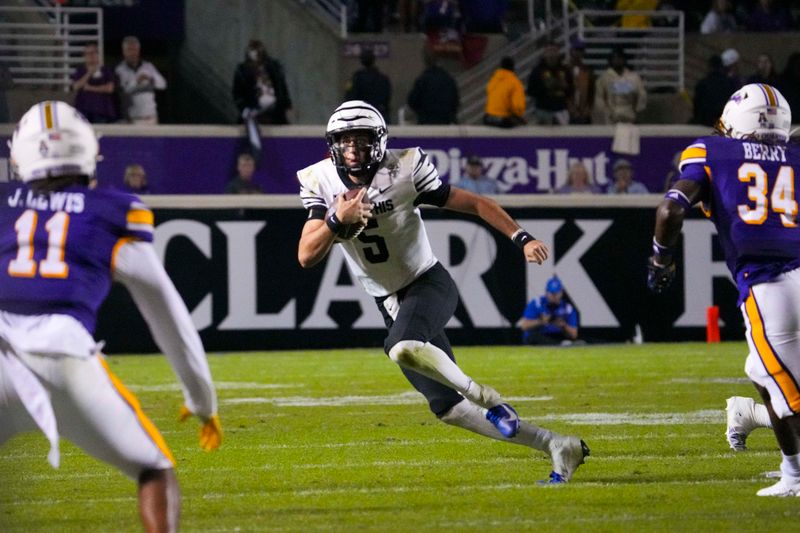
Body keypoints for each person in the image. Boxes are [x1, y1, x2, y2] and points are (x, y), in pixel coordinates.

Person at [297, 100, 589, 483]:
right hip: (388, 301)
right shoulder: (321, 180)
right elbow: (306, 254)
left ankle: (487, 396)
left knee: (401, 347)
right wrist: (337, 219)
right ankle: (557, 445)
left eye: (362, 141)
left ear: (380, 142)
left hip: (427, 282)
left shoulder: (404, 168)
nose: (353, 151)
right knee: (447, 407)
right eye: (345, 142)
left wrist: (521, 237)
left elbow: (476, 203)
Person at [0, 101, 222, 530]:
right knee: (154, 467)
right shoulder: (112, 209)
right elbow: (167, 313)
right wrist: (202, 399)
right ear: (88, 152)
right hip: (63, 354)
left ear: (20, 155)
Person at [648, 83, 800, 497]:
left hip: (770, 284)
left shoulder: (712, 151)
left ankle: (796, 475)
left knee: (791, 394)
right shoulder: (794, 154)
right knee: (761, 373)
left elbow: (670, 209)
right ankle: (789, 469)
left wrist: (661, 258)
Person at [232, 39, 293, 126]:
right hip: (254, 112)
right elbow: (237, 95)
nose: (256, 66)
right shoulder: (242, 72)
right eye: (252, 63)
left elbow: (282, 89)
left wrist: (287, 105)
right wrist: (245, 110)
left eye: (258, 62)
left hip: (275, 113)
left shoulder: (274, 69)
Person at [115, 36, 167, 124]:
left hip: (151, 117)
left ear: (138, 51)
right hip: (133, 118)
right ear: (124, 52)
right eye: (129, 50)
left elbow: (163, 85)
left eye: (135, 49)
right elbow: (124, 91)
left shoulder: (148, 66)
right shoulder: (120, 70)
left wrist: (151, 79)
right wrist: (137, 81)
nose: (132, 53)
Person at [516, 276, 579, 346]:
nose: (554, 296)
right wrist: (541, 321)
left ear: (561, 292)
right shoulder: (537, 303)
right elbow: (524, 326)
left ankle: (558, 345)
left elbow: (574, 335)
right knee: (534, 336)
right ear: (546, 292)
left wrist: (563, 326)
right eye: (551, 293)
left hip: (556, 336)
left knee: (569, 340)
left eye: (556, 293)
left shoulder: (567, 308)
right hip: (538, 337)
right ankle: (558, 345)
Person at [594, 47, 647, 125]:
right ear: (610, 60)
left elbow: (642, 96)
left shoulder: (634, 77)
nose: (617, 60)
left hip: (630, 118)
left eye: (620, 57)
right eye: (615, 58)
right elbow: (599, 99)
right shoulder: (604, 78)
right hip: (611, 119)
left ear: (624, 59)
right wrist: (607, 112)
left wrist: (637, 110)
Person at [407, 48, 459, 125]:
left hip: (426, 121)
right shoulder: (449, 79)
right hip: (445, 122)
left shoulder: (422, 80)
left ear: (425, 62)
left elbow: (412, 101)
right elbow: (455, 101)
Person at [526, 41, 572, 126]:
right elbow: (530, 91)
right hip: (543, 111)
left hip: (561, 110)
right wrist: (545, 86)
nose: (551, 54)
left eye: (554, 50)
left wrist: (565, 86)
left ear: (558, 52)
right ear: (544, 54)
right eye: (549, 51)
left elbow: (571, 91)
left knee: (562, 137)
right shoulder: (537, 71)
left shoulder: (565, 70)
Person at [70, 42, 117, 124]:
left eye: (93, 53)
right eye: (88, 54)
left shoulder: (106, 70)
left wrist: (89, 88)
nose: (91, 56)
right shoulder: (80, 71)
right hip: (83, 110)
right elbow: (76, 86)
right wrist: (89, 73)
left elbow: (110, 88)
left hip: (101, 111)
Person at [345, 49, 392, 121]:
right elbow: (387, 97)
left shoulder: (355, 79)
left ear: (361, 61)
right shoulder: (383, 79)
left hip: (360, 115)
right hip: (378, 114)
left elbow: (349, 97)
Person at [691, 55, 737, 127]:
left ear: (709, 67)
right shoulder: (730, 83)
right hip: (725, 121)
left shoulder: (702, 84)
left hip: (706, 122)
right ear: (721, 67)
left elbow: (696, 106)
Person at [483, 56, 526, 128]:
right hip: (503, 120)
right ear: (513, 68)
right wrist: (519, 117)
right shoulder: (515, 83)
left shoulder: (494, 79)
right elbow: (518, 107)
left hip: (488, 118)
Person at [567, 40, 595, 125]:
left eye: (581, 50)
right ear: (571, 51)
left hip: (584, 112)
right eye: (576, 50)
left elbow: (592, 91)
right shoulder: (565, 69)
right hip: (568, 113)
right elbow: (563, 92)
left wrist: (588, 107)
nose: (578, 53)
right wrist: (570, 107)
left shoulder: (588, 70)